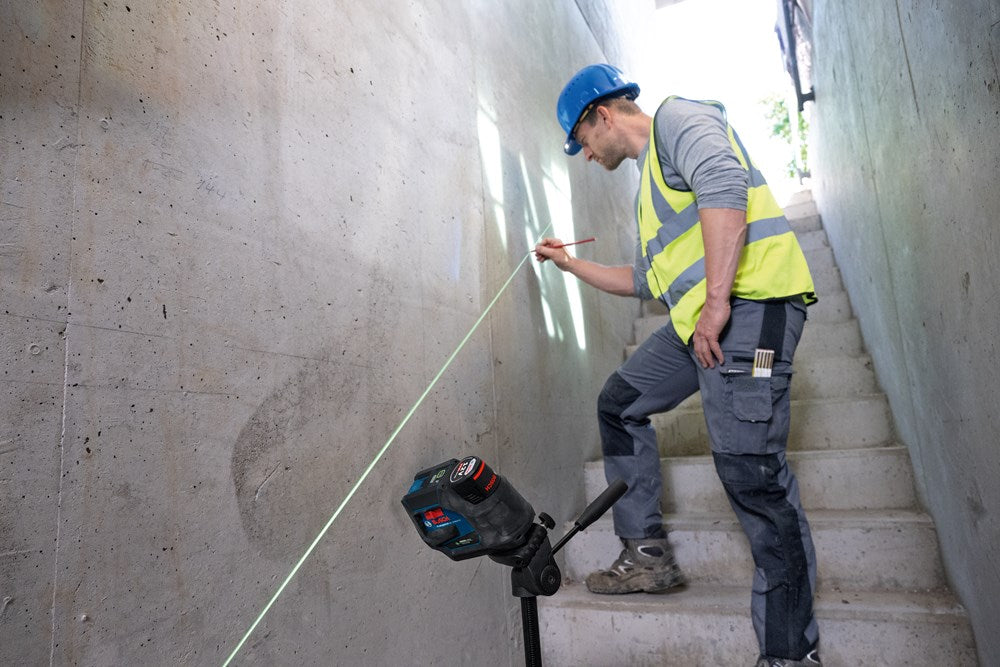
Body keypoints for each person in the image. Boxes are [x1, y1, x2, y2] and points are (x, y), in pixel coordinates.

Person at [535, 64, 822, 667]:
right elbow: (644, 281)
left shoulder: (679, 118)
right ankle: (647, 556)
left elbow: (724, 181)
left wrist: (717, 302)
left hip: (752, 309)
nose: (585, 156)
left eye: (582, 141)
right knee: (618, 403)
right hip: (701, 326)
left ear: (603, 116)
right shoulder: (647, 190)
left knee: (752, 477)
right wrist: (569, 265)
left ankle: (791, 653)